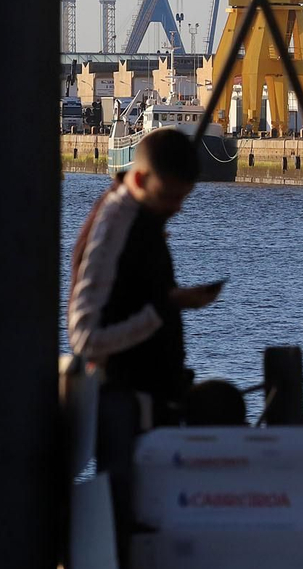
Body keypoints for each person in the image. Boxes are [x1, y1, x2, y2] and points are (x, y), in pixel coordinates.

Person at [67, 127, 221, 421]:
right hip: (130, 409)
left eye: (182, 199)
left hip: (150, 402)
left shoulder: (143, 215)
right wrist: (166, 307)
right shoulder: (114, 226)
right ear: (139, 179)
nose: (176, 208)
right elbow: (84, 338)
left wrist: (170, 300)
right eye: (168, 197)